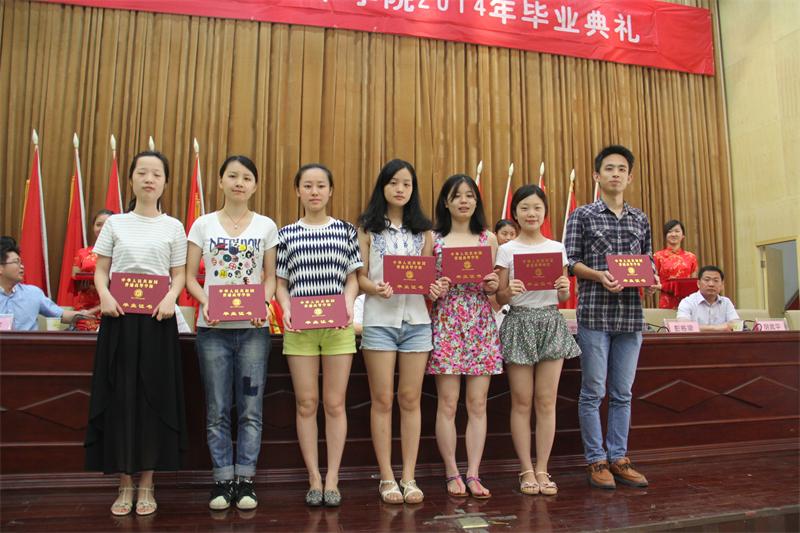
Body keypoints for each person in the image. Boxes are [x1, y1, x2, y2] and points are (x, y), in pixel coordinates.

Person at [84, 151, 188, 516]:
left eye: (156, 173)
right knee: (121, 398)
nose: (149, 179)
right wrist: (105, 295)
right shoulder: (116, 224)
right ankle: (124, 483)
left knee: (152, 400)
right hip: (120, 319)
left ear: (165, 182)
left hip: (158, 321)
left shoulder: (174, 227)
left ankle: (147, 483)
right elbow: (101, 270)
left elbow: (179, 274)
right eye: (142, 172)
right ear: (131, 179)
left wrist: (171, 298)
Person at [185, 155, 278, 511]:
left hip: (253, 331)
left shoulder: (266, 226)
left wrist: (263, 303)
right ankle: (222, 480)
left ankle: (246, 480)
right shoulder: (203, 224)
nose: (240, 183)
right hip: (213, 331)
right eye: (233, 176)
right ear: (220, 181)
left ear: (255, 185)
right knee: (217, 409)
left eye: (247, 177)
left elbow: (270, 278)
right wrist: (205, 301)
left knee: (251, 409)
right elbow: (189, 276)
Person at [564, 145, 659, 490]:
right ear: (597, 175)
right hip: (595, 315)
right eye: (609, 168)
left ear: (629, 177)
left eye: (621, 169)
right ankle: (596, 460)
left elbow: (647, 260)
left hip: (631, 317)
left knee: (622, 393)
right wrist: (599, 275)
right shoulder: (582, 215)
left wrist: (651, 279)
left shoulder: (640, 218)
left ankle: (619, 457)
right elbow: (570, 262)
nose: (615, 174)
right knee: (592, 392)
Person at [275, 163, 362, 507]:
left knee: (335, 403)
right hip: (300, 330)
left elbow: (353, 279)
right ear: (298, 190)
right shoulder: (286, 234)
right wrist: (286, 308)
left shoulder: (345, 231)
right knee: (307, 403)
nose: (314, 192)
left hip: (338, 328)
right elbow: (281, 283)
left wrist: (348, 303)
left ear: (330, 191)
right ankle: (314, 478)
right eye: (308, 185)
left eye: (321, 185)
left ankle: (333, 478)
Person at [356, 159, 442, 505]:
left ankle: (409, 475)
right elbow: (360, 277)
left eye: (406, 183)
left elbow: (427, 279)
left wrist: (432, 288)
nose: (400, 189)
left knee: (410, 399)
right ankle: (387, 477)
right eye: (393, 182)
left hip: (417, 323)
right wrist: (375, 288)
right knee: (382, 399)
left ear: (413, 189)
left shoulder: (424, 232)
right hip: (379, 321)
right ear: (383, 187)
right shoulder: (367, 228)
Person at [495, 184, 580, 496]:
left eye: (537, 208)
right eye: (524, 208)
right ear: (515, 213)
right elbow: (498, 296)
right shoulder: (507, 250)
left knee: (546, 401)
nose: (531, 213)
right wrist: (509, 291)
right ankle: (526, 469)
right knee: (521, 401)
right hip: (519, 322)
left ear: (545, 213)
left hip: (550, 322)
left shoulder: (557, 247)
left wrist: (563, 289)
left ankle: (543, 468)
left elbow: (564, 295)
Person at [429, 174, 502, 499]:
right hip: (447, 320)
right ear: (446, 202)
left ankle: (473, 472)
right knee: (447, 403)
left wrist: (492, 286)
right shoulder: (434, 239)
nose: (463, 201)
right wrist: (435, 288)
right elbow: (423, 285)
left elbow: (496, 292)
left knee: (477, 403)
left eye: (469, 195)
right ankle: (451, 472)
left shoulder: (489, 239)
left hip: (480, 323)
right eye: (456, 195)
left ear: (476, 201)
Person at [0, 243, 87, 330]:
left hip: (29, 339)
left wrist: (87, 314)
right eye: (16, 262)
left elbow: (61, 315)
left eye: (21, 262)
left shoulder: (33, 293)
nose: (22, 266)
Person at [71, 209, 114, 330]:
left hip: (111, 309)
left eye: (106, 225)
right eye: (98, 224)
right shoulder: (82, 253)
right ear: (93, 227)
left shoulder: (120, 254)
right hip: (84, 311)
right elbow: (74, 281)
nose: (102, 228)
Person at [677, 265, 739, 331]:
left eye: (716, 280)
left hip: (722, 338)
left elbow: (737, 325)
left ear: (722, 285)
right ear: (698, 283)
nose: (711, 284)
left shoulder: (726, 302)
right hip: (696, 338)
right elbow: (683, 326)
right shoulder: (687, 302)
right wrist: (716, 328)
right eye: (707, 280)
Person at [654, 219, 698, 309]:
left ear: (683, 236)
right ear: (665, 236)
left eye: (677, 231)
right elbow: (654, 280)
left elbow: (694, 283)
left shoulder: (691, 257)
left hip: (687, 301)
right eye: (670, 232)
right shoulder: (658, 256)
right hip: (666, 301)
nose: (673, 234)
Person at [491, 219, 518, 326]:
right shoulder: (489, 254)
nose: (508, 238)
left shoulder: (517, 256)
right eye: (504, 234)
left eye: (512, 234)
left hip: (510, 301)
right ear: (495, 235)